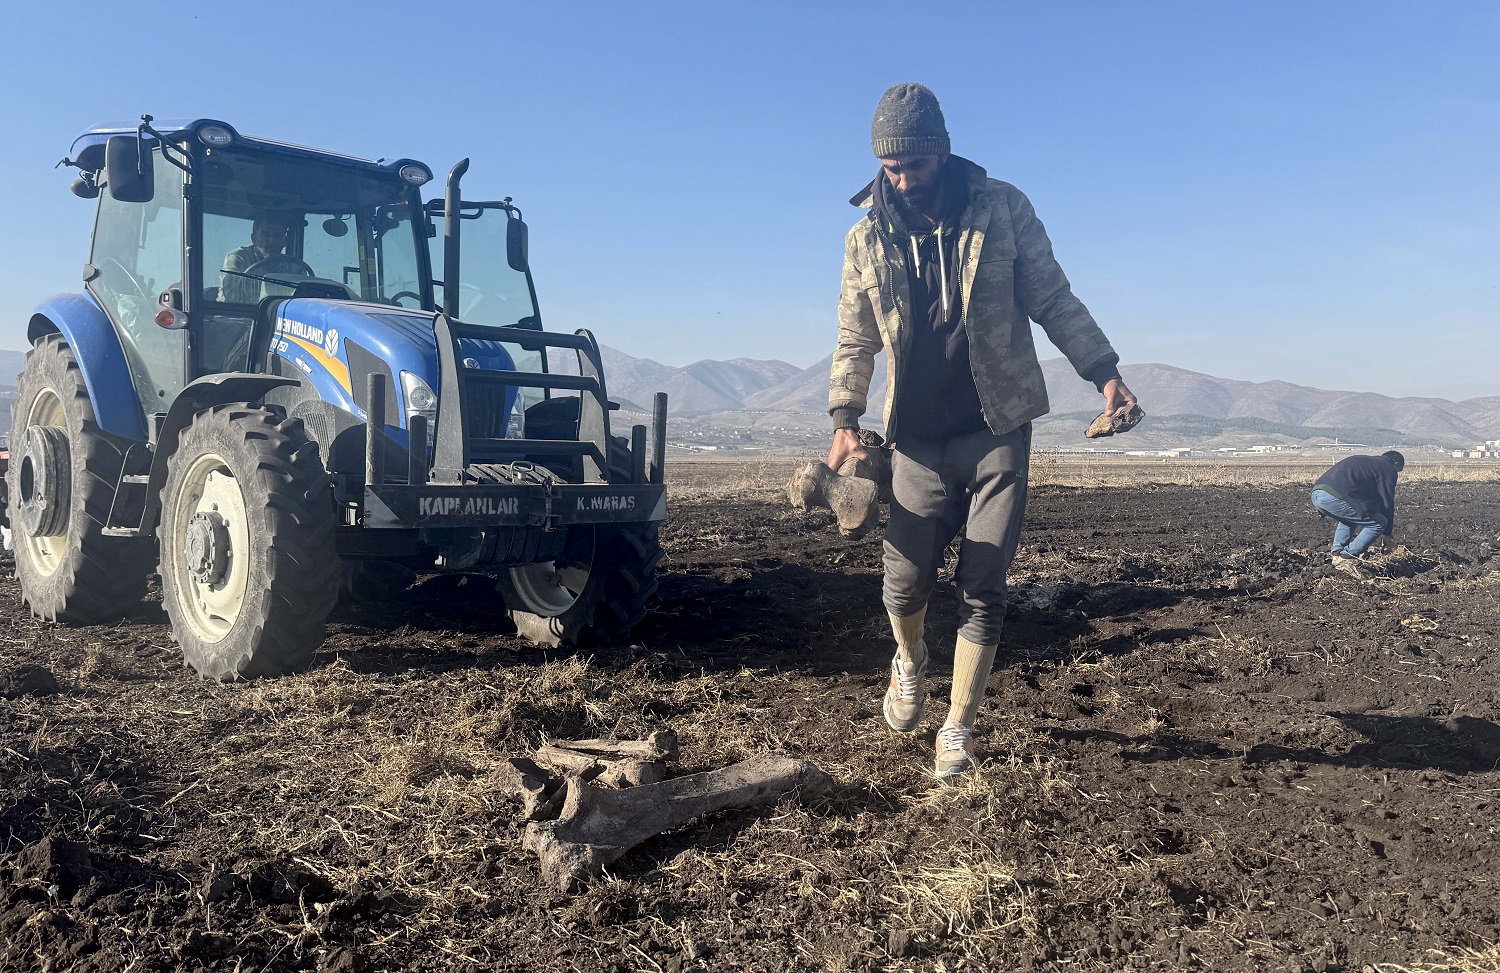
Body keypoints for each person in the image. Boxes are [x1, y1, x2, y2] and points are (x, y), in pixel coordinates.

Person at [827, 83, 1139, 780]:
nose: (899, 176)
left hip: (998, 426)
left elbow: (1052, 297)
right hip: (917, 438)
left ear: (940, 150)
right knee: (903, 584)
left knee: (984, 581)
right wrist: (845, 418)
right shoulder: (866, 236)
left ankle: (957, 729)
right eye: (889, 164)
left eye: (911, 162)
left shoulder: (1002, 209)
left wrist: (1104, 371)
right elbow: (854, 337)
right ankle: (909, 661)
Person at [1310, 451, 1404, 576]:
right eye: (1398, 470)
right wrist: (1387, 534)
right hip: (1335, 496)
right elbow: (1387, 501)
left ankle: (1337, 554)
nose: (1396, 474)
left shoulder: (1370, 464)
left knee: (1351, 518)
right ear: (1396, 464)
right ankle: (1347, 557)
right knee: (1379, 523)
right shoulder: (1387, 468)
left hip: (1317, 494)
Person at [219, 215, 313, 304]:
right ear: (254, 239)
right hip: (234, 317)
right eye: (265, 235)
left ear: (285, 241)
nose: (272, 241)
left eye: (278, 236)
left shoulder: (294, 267)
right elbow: (231, 297)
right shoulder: (238, 258)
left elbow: (302, 300)